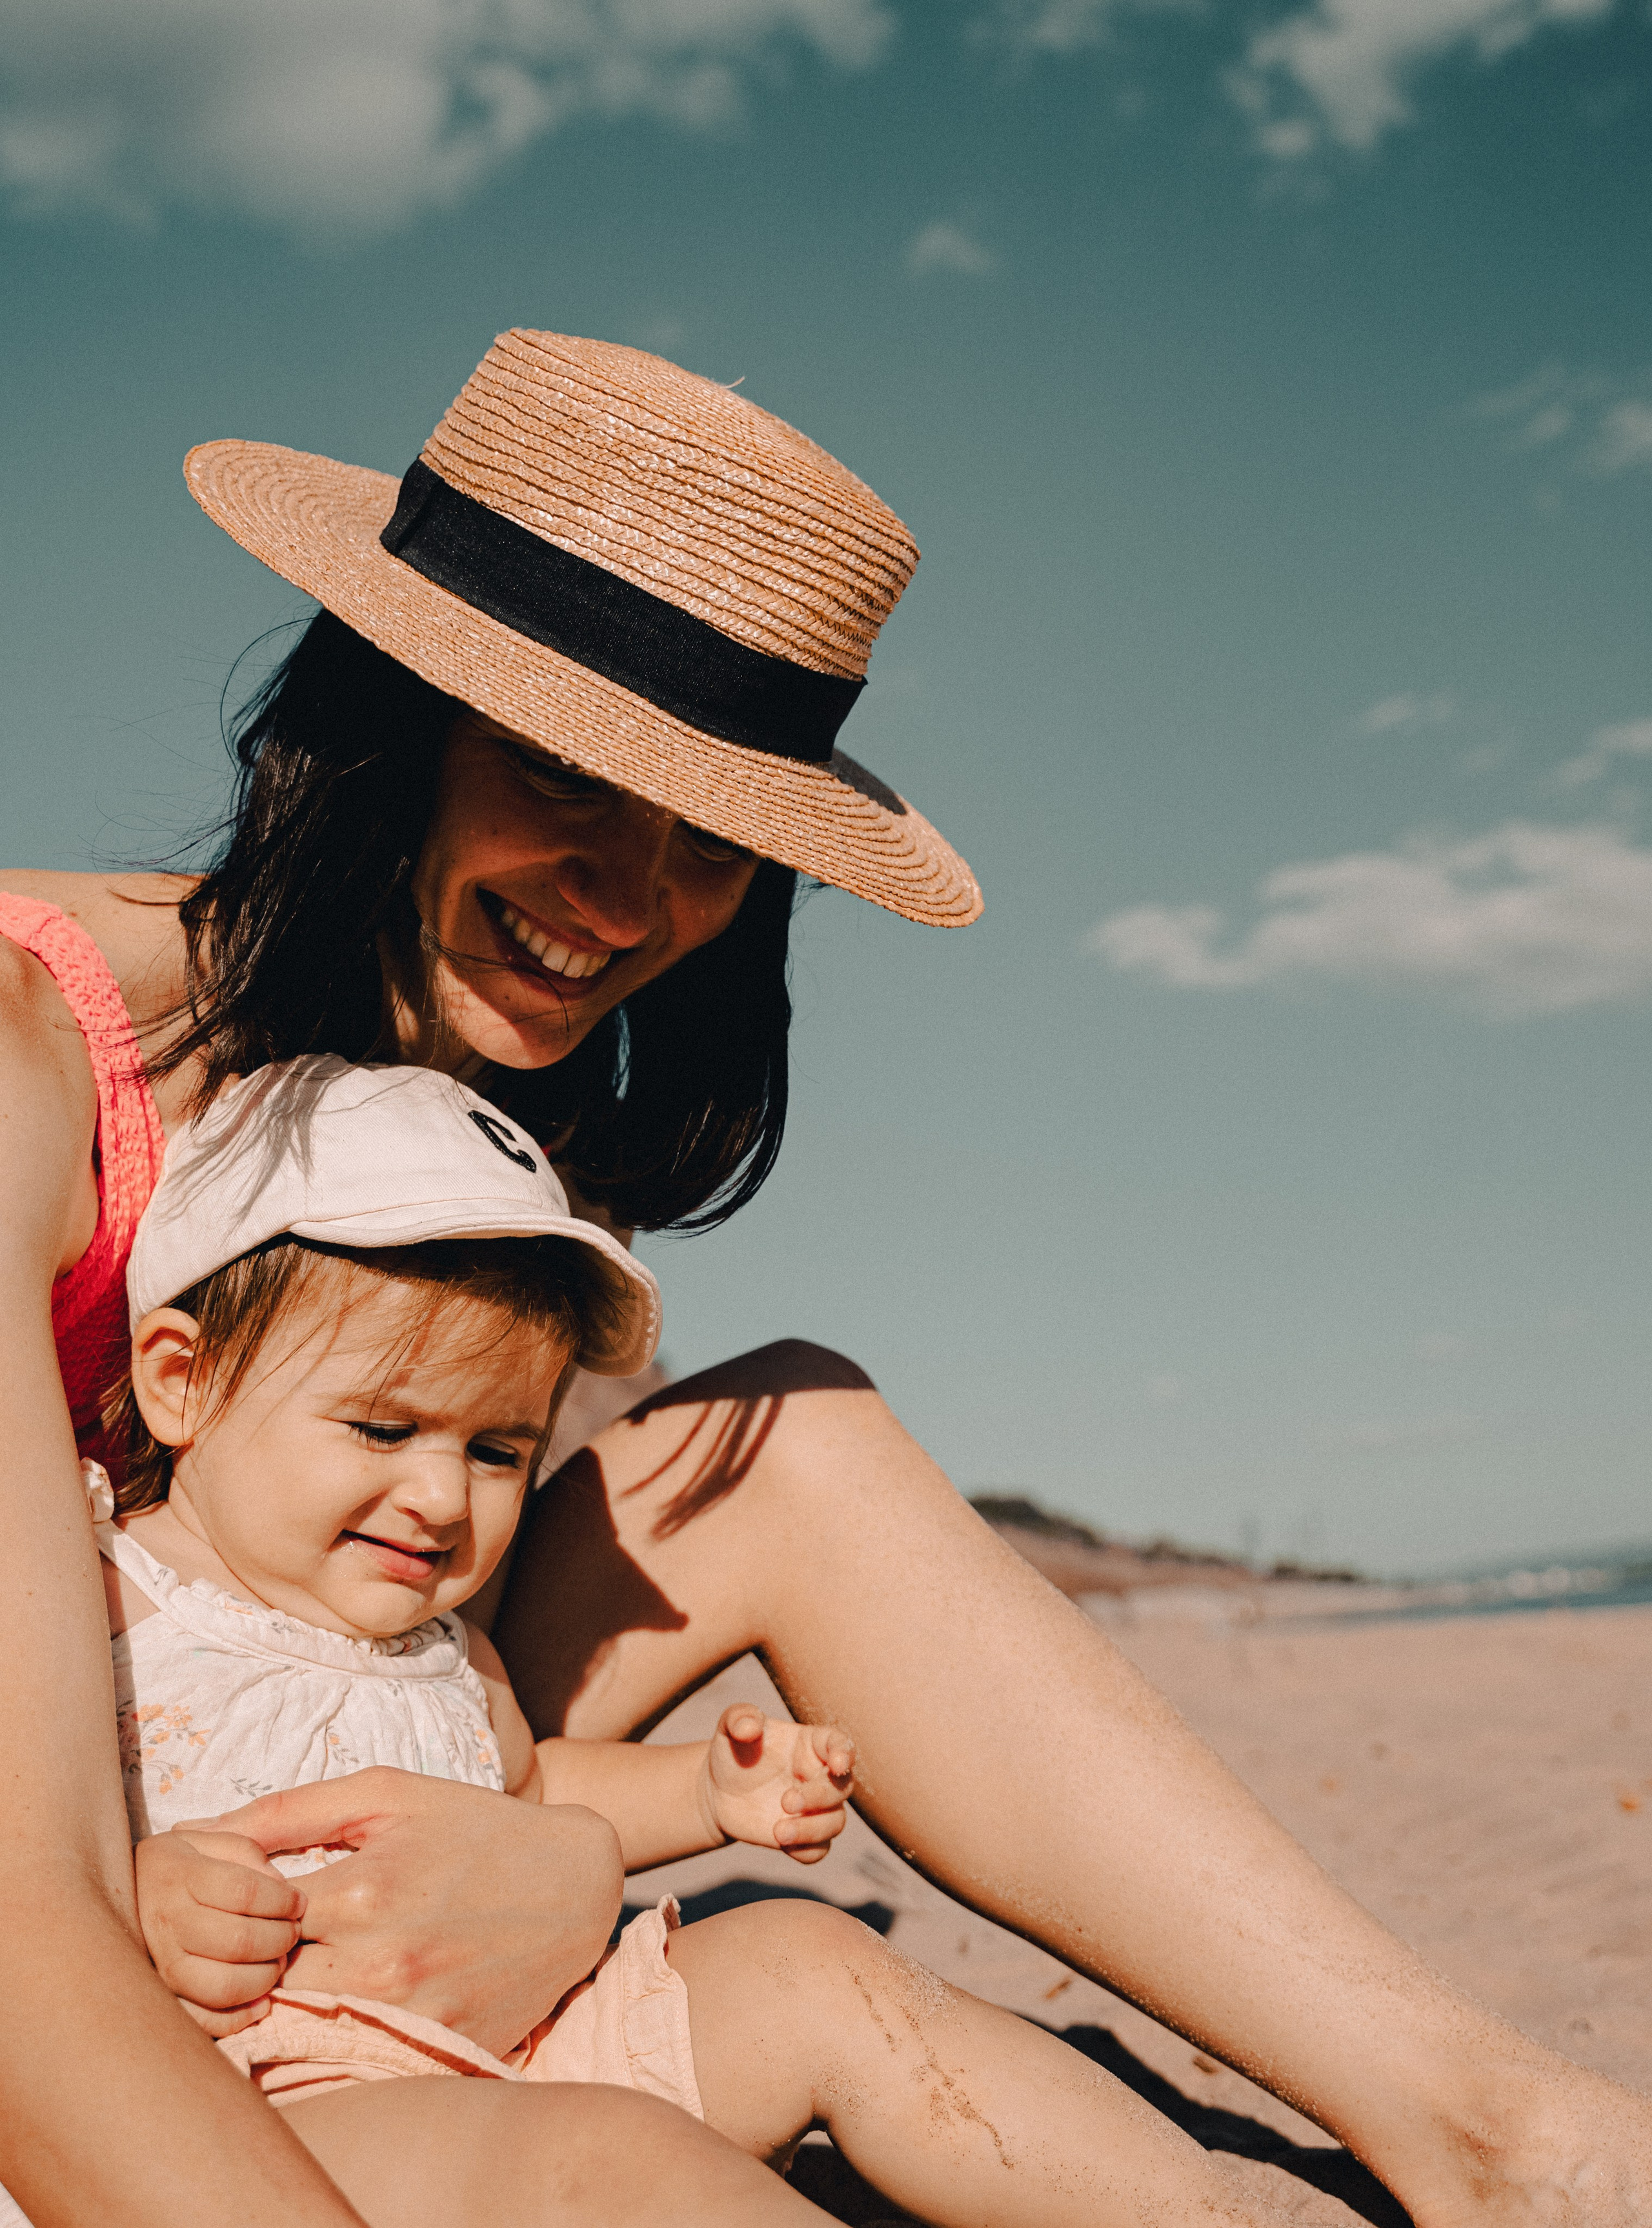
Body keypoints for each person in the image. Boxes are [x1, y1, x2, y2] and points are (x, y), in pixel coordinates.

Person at [1, 327, 1646, 2228]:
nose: (625, 902)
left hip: (290, 1745)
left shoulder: (439, 1115)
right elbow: (28, 1931)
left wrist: (549, 1847)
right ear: (392, 713)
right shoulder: (39, 1052)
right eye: (567, 775)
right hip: (78, 1862)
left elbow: (443, 1657)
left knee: (791, 1430)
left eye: (714, 847)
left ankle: (1497, 2133)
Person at [65, 1052, 1300, 2228]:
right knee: (611, 2159)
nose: (445, 1499)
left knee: (815, 1964)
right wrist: (131, 1896)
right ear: (182, 1380)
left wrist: (707, 1790)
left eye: (496, 1450)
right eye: (384, 1430)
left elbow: (537, 1783)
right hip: (254, 2120)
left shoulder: (440, 1648)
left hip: (521, 2048)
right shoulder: (100, 1595)